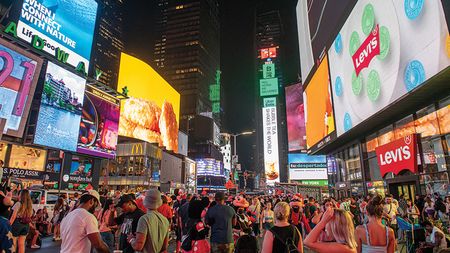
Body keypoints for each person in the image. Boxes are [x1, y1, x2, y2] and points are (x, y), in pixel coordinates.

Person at [127, 189, 170, 253]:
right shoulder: (165, 220)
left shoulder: (144, 219)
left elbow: (138, 246)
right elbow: (164, 247)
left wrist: (131, 239)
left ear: (145, 201)